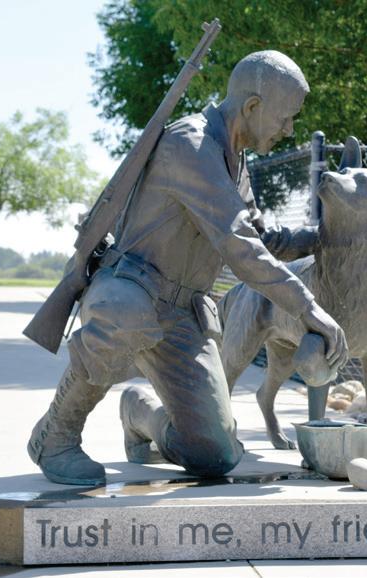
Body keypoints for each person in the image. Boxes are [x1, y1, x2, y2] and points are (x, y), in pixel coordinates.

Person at [27, 50, 348, 485]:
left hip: (183, 314)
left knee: (215, 455)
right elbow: (240, 248)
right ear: (253, 106)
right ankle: (56, 435)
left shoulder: (234, 159)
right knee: (125, 315)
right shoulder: (190, 145)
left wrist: (323, 237)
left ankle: (140, 412)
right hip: (130, 290)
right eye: (286, 117)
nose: (289, 129)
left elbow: (259, 239)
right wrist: (310, 309)